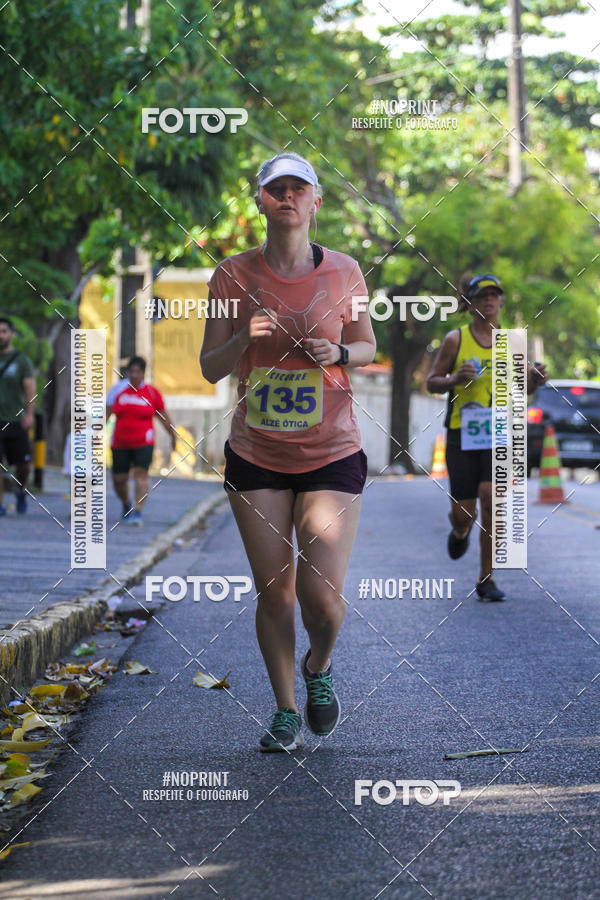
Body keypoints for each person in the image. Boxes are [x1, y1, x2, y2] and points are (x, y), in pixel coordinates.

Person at [201, 151, 376, 752]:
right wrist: (243, 337)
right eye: (275, 188)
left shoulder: (345, 271)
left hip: (331, 450)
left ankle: (318, 667)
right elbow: (208, 367)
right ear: (259, 200)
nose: (287, 196)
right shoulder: (231, 275)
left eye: (299, 188)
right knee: (275, 590)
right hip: (257, 454)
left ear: (316, 201)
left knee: (321, 599)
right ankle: (283, 710)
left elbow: (367, 346)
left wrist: (338, 355)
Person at [426, 273, 547, 601]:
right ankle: (460, 529)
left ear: (501, 301)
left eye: (494, 295)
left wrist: (536, 379)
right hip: (462, 433)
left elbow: (525, 389)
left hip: (500, 431)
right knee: (464, 511)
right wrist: (453, 379)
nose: (489, 301)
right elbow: (431, 382)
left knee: (491, 495)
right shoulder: (456, 339)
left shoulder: (514, 342)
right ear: (471, 303)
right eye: (481, 296)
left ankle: (486, 577)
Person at [108, 356, 176, 525]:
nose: (134, 375)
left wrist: (173, 436)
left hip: (144, 442)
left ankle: (137, 511)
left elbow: (163, 418)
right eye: (131, 371)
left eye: (138, 372)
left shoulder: (152, 393)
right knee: (119, 480)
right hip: (120, 442)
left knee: (141, 475)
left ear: (143, 373)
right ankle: (126, 504)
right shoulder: (118, 390)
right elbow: (106, 414)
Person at [0, 317, 35, 515]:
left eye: (4, 331)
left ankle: (21, 490)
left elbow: (30, 389)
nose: (1, 335)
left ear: (11, 334)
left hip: (16, 420)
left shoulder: (21, 360)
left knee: (23, 465)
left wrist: (29, 414)